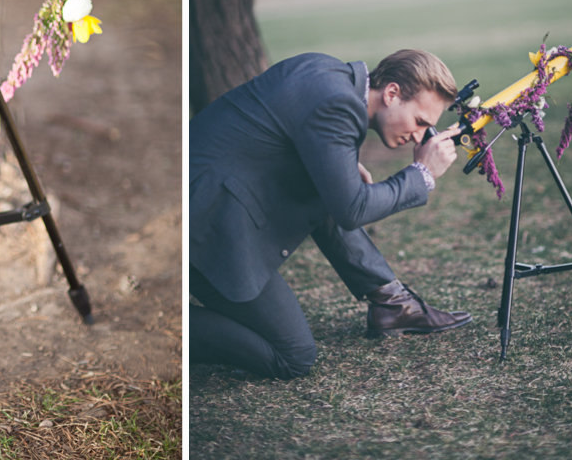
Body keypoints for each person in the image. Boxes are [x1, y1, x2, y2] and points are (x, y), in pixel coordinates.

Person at [189, 49, 472, 380]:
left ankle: (393, 304)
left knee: (326, 189)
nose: (420, 135)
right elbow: (352, 209)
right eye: (420, 121)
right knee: (294, 357)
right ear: (392, 94)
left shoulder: (329, 75)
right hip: (206, 228)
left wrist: (335, 164)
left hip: (202, 194)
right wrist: (422, 174)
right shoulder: (337, 106)